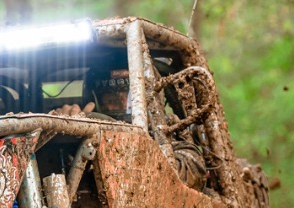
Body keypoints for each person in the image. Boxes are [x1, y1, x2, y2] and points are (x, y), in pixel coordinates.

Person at [51, 67, 210, 191]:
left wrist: (116, 143)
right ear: (93, 101)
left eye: (130, 98)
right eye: (111, 98)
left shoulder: (168, 140)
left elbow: (190, 173)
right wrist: (60, 129)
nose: (122, 104)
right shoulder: (78, 137)